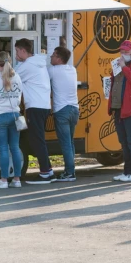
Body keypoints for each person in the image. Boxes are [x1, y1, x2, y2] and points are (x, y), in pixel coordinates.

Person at [15, 38, 53, 182]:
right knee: (39, 140)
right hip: (44, 105)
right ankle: (48, 170)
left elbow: (12, 76)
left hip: (35, 106)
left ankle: (45, 173)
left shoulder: (28, 65)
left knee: (36, 140)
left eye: (17, 51)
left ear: (23, 51)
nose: (16, 54)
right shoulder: (38, 61)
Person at [108, 40, 131, 182]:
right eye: (121, 51)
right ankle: (127, 172)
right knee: (123, 142)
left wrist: (124, 67)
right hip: (119, 109)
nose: (123, 54)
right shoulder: (118, 65)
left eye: (126, 52)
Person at [0, 51, 23, 189]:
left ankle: (4, 180)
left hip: (0, 116)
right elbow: (19, 98)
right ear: (10, 62)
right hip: (15, 115)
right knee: (15, 147)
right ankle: (17, 180)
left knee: (3, 149)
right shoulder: (17, 78)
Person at [48, 46, 79, 182]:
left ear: (59, 59)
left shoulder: (53, 70)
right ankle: (70, 170)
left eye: (53, 55)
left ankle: (69, 173)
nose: (51, 57)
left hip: (62, 110)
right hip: (74, 109)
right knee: (70, 142)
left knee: (65, 143)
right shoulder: (72, 69)